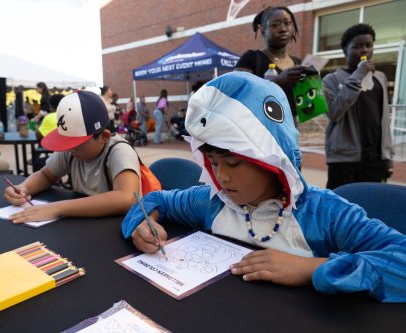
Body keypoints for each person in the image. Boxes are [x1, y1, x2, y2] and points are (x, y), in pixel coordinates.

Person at [121, 72, 406, 302]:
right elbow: (157, 199)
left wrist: (312, 268)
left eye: (233, 164)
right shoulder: (211, 201)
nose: (222, 177)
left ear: (272, 160)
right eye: (213, 163)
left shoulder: (326, 214)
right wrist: (143, 223)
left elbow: (400, 259)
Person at [3, 90, 141, 222]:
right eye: (67, 143)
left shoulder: (119, 151)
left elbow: (127, 198)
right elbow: (46, 175)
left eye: (77, 144)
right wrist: (24, 187)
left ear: (103, 137)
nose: (70, 149)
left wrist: (57, 208)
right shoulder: (71, 151)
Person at [323, 24, 394, 190]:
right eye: (357, 46)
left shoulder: (380, 78)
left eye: (369, 45)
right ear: (344, 50)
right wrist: (359, 74)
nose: (364, 50)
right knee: (340, 205)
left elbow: (384, 119)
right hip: (344, 159)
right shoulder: (331, 80)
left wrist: (388, 155)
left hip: (375, 158)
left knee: (370, 205)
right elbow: (334, 112)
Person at [235, 6, 303, 124]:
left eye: (287, 23)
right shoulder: (251, 58)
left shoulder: (298, 63)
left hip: (289, 129)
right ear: (263, 30)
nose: (283, 29)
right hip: (258, 129)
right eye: (275, 25)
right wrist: (279, 81)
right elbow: (238, 93)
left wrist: (316, 89)